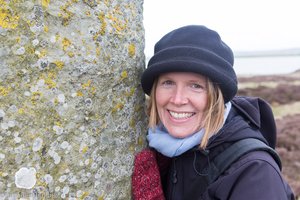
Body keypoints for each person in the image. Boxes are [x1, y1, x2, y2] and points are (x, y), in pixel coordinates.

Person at [131, 25, 295, 200]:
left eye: (196, 86)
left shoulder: (254, 173)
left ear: (218, 97)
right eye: (168, 83)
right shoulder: (168, 148)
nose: (178, 99)